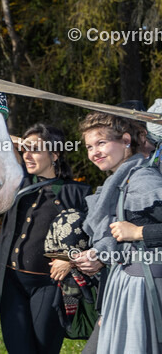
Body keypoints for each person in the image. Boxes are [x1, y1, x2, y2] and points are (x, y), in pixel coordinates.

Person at [0, 123, 91, 354]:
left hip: (50, 286)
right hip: (11, 284)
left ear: (54, 155)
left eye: (35, 149)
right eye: (25, 150)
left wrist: (70, 258)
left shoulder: (78, 192)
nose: (27, 155)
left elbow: (94, 236)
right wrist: (17, 142)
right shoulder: (15, 184)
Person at [73, 111, 162, 353]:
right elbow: (121, 240)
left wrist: (139, 232)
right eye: (89, 147)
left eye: (101, 143)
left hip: (148, 290)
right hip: (123, 286)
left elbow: (133, 233)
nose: (94, 152)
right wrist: (100, 254)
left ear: (125, 140)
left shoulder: (144, 180)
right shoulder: (120, 182)